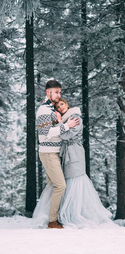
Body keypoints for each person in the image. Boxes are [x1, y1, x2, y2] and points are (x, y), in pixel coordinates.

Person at [33, 98, 112, 228]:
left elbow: (65, 136)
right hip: (67, 153)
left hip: (74, 154)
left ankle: (78, 214)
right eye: (57, 107)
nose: (60, 108)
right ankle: (68, 213)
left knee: (76, 181)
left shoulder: (75, 118)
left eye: (62, 104)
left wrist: (59, 122)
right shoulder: (66, 120)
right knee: (66, 184)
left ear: (67, 104)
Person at [35, 80, 79, 229]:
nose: (59, 95)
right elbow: (45, 134)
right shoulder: (44, 110)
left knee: (52, 187)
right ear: (48, 92)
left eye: (60, 92)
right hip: (48, 153)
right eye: (56, 92)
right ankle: (52, 221)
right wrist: (67, 125)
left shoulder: (50, 108)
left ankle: (46, 217)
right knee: (60, 186)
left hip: (54, 153)